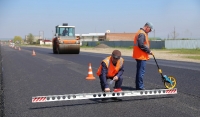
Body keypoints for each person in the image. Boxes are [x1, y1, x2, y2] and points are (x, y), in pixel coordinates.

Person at [133, 22, 153, 90]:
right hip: (141, 56)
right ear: (147, 27)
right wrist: (148, 51)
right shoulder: (142, 33)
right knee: (141, 72)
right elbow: (141, 44)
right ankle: (140, 87)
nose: (150, 31)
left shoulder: (140, 32)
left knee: (139, 71)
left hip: (139, 55)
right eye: (150, 30)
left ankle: (138, 86)